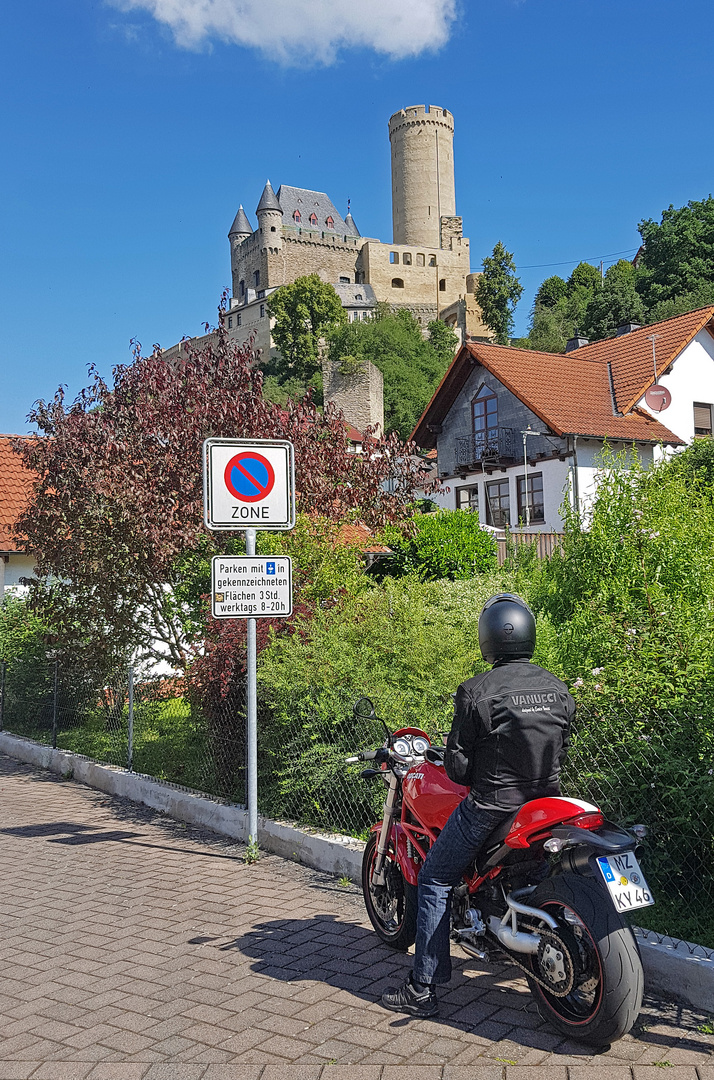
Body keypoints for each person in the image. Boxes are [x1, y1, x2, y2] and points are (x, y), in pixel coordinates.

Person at [381, 592, 575, 1018]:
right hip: (546, 804)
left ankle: (421, 988)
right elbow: (561, 745)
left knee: (434, 878)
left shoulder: (475, 692)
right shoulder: (557, 688)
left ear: (489, 638)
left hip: (491, 807)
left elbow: (459, 769)